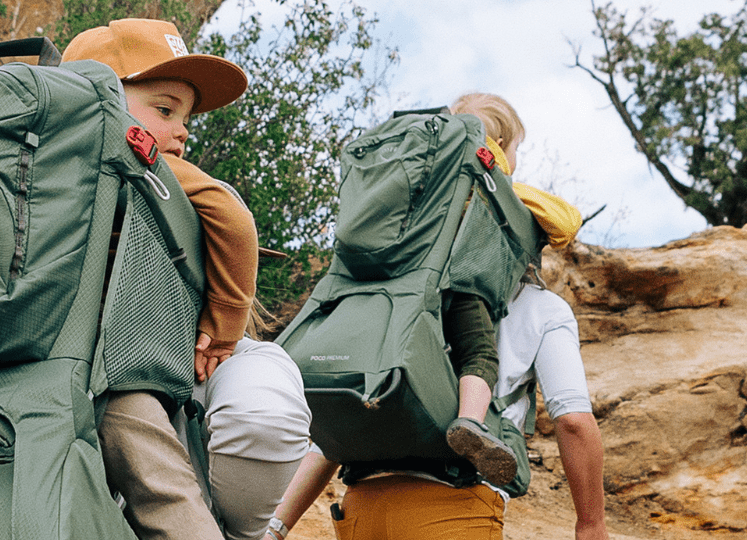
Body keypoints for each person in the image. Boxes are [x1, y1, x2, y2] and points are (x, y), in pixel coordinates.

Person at [263, 93, 605, 540]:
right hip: (452, 508)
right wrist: (591, 524)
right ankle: (471, 420)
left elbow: (337, 432)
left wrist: (277, 524)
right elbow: (573, 421)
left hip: (362, 507)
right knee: (478, 358)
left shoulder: (388, 293)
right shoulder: (541, 308)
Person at [62, 19, 311, 540]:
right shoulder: (121, 151)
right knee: (158, 477)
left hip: (76, 360)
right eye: (164, 109)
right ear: (94, 100)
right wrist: (223, 325)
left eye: (185, 117)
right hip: (113, 360)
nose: (182, 132)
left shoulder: (54, 161)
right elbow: (231, 215)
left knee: (138, 451)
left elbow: (230, 214)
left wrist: (222, 330)